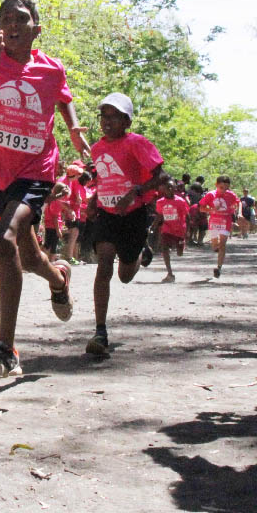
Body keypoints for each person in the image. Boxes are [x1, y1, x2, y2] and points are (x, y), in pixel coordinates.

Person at [0, 0, 91, 378]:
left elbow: (63, 99)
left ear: (36, 28)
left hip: (37, 168)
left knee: (3, 237)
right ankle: (59, 278)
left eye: (20, 19)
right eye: (5, 19)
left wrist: (74, 130)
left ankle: (5, 350)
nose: (11, 25)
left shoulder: (51, 69)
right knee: (28, 257)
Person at [83, 93, 166, 357]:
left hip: (134, 215)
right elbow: (106, 179)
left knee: (125, 275)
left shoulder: (137, 143)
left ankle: (140, 253)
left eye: (113, 116)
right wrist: (95, 199)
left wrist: (136, 192)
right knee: (104, 264)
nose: (107, 121)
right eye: (103, 116)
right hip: (107, 215)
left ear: (126, 121)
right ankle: (100, 331)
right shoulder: (96, 149)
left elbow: (162, 177)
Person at [198, 176, 239, 279]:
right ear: (216, 185)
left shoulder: (231, 195)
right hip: (214, 222)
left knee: (223, 245)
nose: (224, 190)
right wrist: (211, 210)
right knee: (215, 245)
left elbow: (238, 203)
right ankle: (216, 248)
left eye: (226, 188)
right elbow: (201, 208)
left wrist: (239, 212)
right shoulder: (210, 195)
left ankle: (219, 268)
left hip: (226, 222)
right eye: (221, 187)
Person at [151, 178, 189, 283]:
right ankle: (170, 273)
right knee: (164, 248)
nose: (170, 189)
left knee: (179, 253)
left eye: (172, 187)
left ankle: (181, 244)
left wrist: (188, 231)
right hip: (166, 229)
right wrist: (153, 226)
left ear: (175, 188)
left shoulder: (180, 201)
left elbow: (187, 215)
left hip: (179, 230)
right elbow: (159, 215)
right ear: (164, 189)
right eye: (168, 187)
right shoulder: (160, 202)